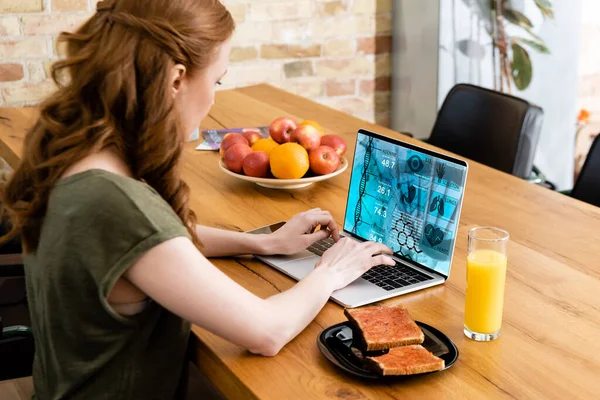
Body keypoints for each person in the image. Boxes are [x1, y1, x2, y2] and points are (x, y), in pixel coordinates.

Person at [0, 0, 395, 398]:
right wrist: (332, 270)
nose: (213, 101)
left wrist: (261, 243)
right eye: (217, 81)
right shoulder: (116, 204)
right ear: (176, 79)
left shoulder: (77, 153)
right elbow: (266, 330)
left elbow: (152, 245)